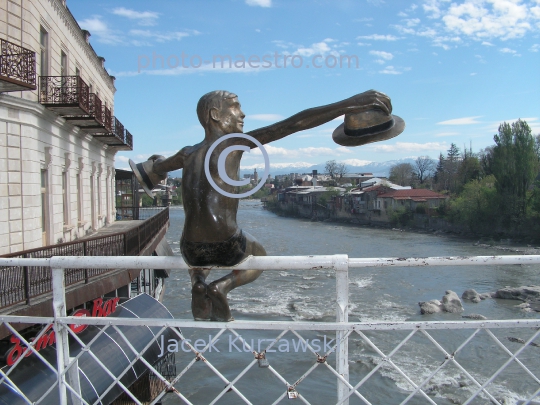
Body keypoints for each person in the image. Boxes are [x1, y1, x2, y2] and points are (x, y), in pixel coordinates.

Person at [135, 89, 393, 321]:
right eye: (235, 107)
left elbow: (156, 168)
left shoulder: (187, 152)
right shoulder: (231, 145)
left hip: (189, 247)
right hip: (226, 243)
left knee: (198, 255)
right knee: (259, 256)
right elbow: (294, 124)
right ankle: (220, 287)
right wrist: (347, 104)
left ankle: (199, 279)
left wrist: (155, 163)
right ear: (215, 115)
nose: (243, 113)